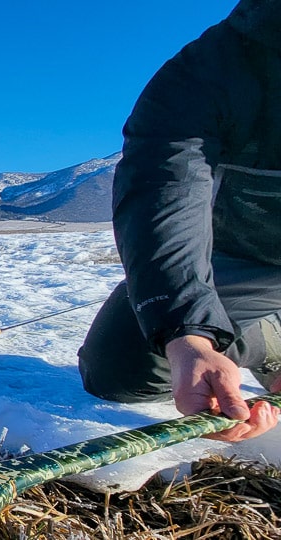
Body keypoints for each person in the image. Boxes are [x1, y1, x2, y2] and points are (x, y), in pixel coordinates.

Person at [77, 0, 281, 443]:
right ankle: (271, 341)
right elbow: (166, 192)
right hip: (233, 262)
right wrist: (186, 330)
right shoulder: (208, 70)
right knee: (118, 367)